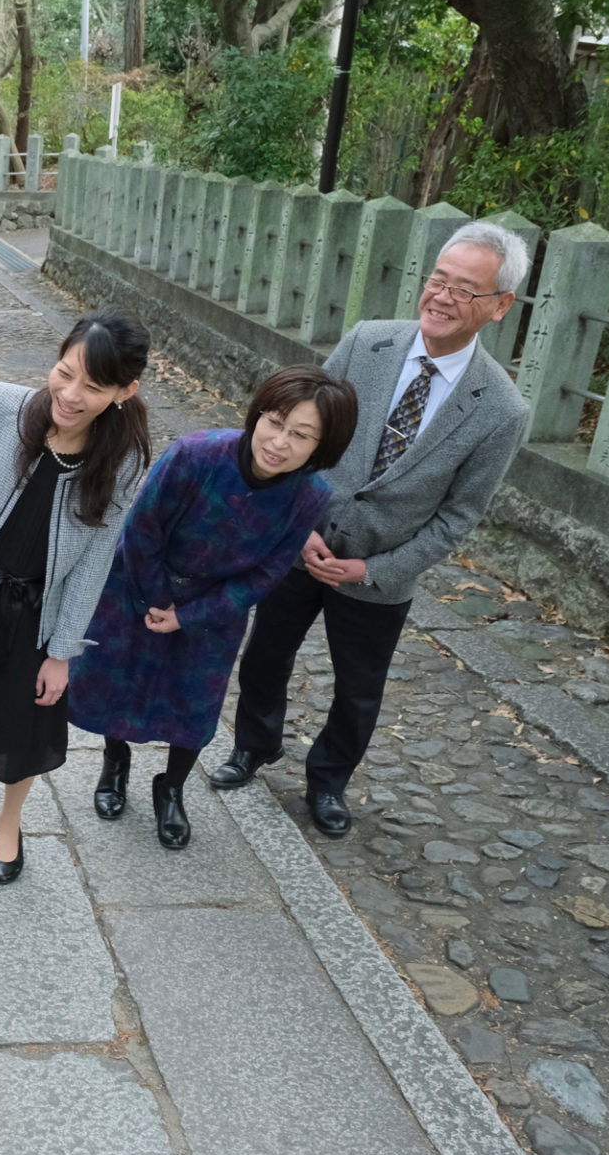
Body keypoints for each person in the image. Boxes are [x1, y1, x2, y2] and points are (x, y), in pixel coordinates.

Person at [209, 222, 532, 838]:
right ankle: (253, 746)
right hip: (302, 543)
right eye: (438, 279)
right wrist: (292, 520)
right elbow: (306, 434)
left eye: (465, 289)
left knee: (358, 691)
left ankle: (327, 782)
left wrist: (375, 570)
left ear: (499, 306)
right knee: (265, 653)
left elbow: (460, 515)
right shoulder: (366, 344)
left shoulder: (500, 409)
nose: (442, 296)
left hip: (380, 571)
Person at [0, 308, 151, 884]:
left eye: (93, 386)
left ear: (124, 390)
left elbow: (95, 558)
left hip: (36, 613)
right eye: (64, 373)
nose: (70, 394)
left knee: (22, 728)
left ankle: (9, 822)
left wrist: (63, 651)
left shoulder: (125, 457)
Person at [68, 367, 358, 849]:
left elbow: (266, 573)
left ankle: (172, 787)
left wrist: (189, 616)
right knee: (113, 682)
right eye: (275, 422)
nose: (280, 443)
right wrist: (157, 600)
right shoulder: (196, 453)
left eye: (301, 435)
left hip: (213, 611)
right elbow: (142, 530)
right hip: (137, 586)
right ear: (259, 412)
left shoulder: (310, 496)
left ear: (322, 446)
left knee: (193, 706)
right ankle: (114, 763)